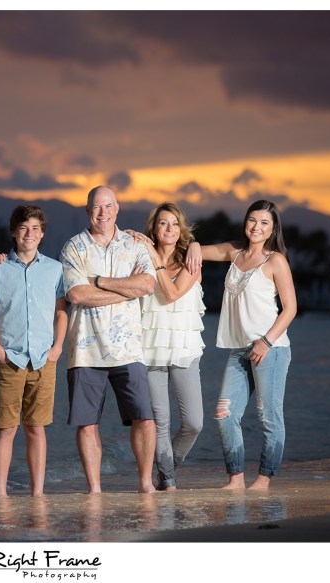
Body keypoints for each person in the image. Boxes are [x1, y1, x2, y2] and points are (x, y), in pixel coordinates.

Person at [187, 199, 297, 490]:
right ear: (245, 222)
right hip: (240, 348)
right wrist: (194, 245)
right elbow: (199, 250)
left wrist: (266, 342)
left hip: (271, 349)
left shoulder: (275, 260)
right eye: (252, 220)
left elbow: (290, 309)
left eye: (264, 223)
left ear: (273, 229)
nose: (257, 227)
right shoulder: (234, 252)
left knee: (268, 416)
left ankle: (264, 479)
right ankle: (235, 479)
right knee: (224, 414)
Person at [60, 185, 158, 494]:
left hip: (129, 349)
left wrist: (99, 282)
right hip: (85, 351)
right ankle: (95, 489)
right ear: (88, 210)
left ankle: (145, 483)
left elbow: (147, 285)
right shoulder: (73, 247)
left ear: (117, 208)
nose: (102, 212)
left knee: (145, 417)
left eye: (108, 206)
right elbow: (77, 294)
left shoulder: (134, 244)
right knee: (87, 423)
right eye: (96, 207)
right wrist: (125, 289)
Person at [0, 205, 68, 498]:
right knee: (6, 429)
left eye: (35, 229)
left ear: (42, 234)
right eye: (23, 228)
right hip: (9, 359)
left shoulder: (55, 269)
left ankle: (37, 493)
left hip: (44, 360)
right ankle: (1, 494)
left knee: (36, 428)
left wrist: (57, 347)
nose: (29, 234)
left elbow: (61, 312)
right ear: (13, 232)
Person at [127, 202, 205, 491]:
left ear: (181, 229)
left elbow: (172, 293)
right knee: (160, 423)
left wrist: (193, 245)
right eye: (163, 223)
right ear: (154, 228)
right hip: (150, 349)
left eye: (174, 223)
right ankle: (169, 482)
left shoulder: (191, 261)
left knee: (194, 423)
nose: (169, 228)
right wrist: (133, 240)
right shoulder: (141, 259)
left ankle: (165, 471)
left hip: (184, 348)